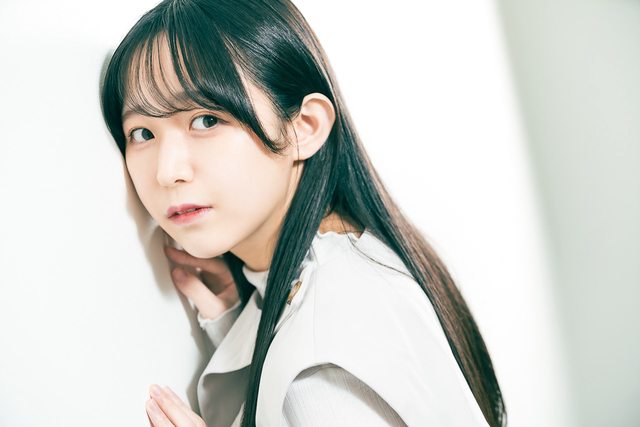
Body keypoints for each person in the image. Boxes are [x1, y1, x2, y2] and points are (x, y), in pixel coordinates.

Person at [99, 0, 507, 426]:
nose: (167, 171)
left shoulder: (319, 362)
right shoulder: (354, 261)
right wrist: (243, 322)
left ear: (305, 127)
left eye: (206, 120)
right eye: (142, 133)